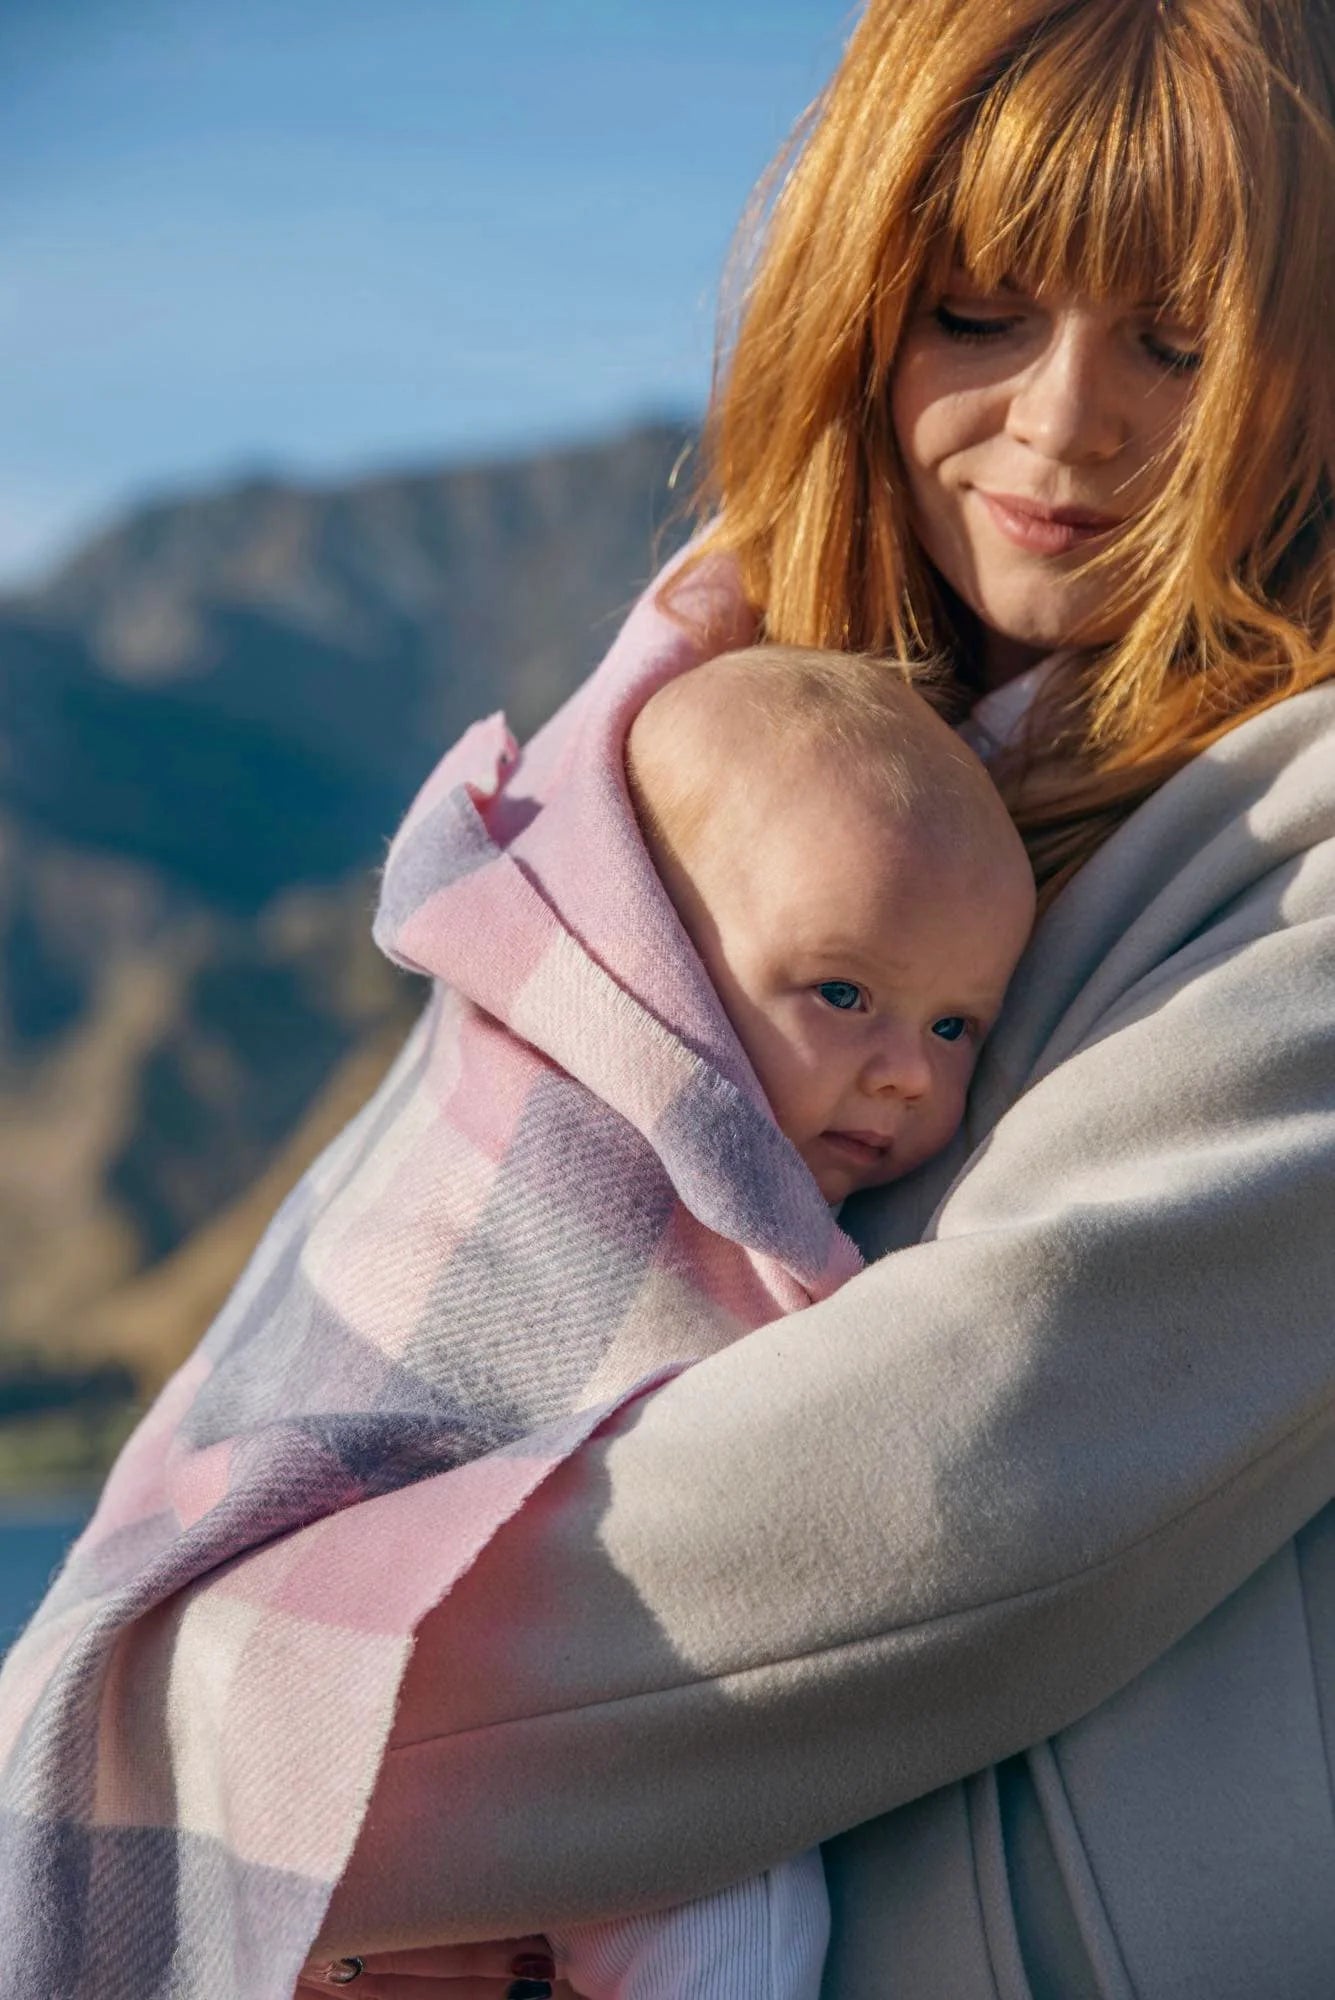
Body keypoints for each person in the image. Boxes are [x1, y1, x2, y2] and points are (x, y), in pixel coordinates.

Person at [299, 1, 1335, 1996]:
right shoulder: (710, 774)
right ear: (854, 302)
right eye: (974, 314)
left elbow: (965, 1484)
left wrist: (184, 1729)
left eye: (1179, 342)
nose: (1062, 427)